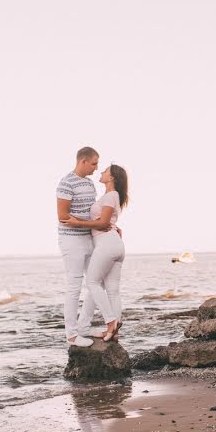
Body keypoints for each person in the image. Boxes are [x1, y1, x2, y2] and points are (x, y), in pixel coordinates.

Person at [64, 164, 128, 342]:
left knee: (92, 282)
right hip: (115, 244)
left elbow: (102, 222)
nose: (101, 172)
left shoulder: (110, 195)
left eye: (105, 170)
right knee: (113, 290)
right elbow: (106, 221)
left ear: (112, 177)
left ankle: (111, 322)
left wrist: (76, 222)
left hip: (107, 243)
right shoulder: (111, 196)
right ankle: (115, 332)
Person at [56, 147, 109, 347]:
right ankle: (71, 335)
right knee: (74, 287)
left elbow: (92, 212)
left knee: (97, 281)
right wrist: (84, 224)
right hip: (71, 241)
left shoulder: (88, 184)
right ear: (83, 161)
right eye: (94, 163)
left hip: (89, 239)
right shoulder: (65, 183)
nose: (97, 168)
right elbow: (63, 217)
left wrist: (108, 225)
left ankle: (84, 327)